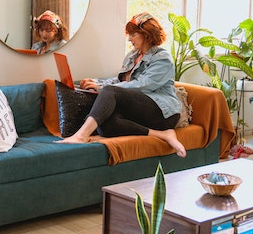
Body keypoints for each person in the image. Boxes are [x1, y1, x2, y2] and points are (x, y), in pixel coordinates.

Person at [56, 12, 186, 158]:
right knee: (105, 126)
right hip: (141, 108)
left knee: (111, 91)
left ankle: (81, 136)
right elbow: (120, 82)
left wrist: (102, 88)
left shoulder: (162, 58)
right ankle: (164, 135)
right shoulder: (133, 56)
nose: (129, 39)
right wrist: (96, 82)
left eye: (133, 34)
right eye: (129, 34)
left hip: (162, 112)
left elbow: (142, 86)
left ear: (147, 35)